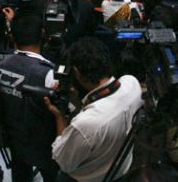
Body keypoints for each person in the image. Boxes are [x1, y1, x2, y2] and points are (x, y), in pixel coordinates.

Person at [44, 37, 143, 182]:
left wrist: (60, 117)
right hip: (120, 171)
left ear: (77, 72)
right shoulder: (131, 83)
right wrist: (78, 101)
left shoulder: (85, 124)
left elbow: (63, 162)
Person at [0, 14, 60, 182]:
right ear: (43, 35)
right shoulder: (48, 72)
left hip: (13, 134)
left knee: (20, 172)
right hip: (43, 142)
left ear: (12, 37)